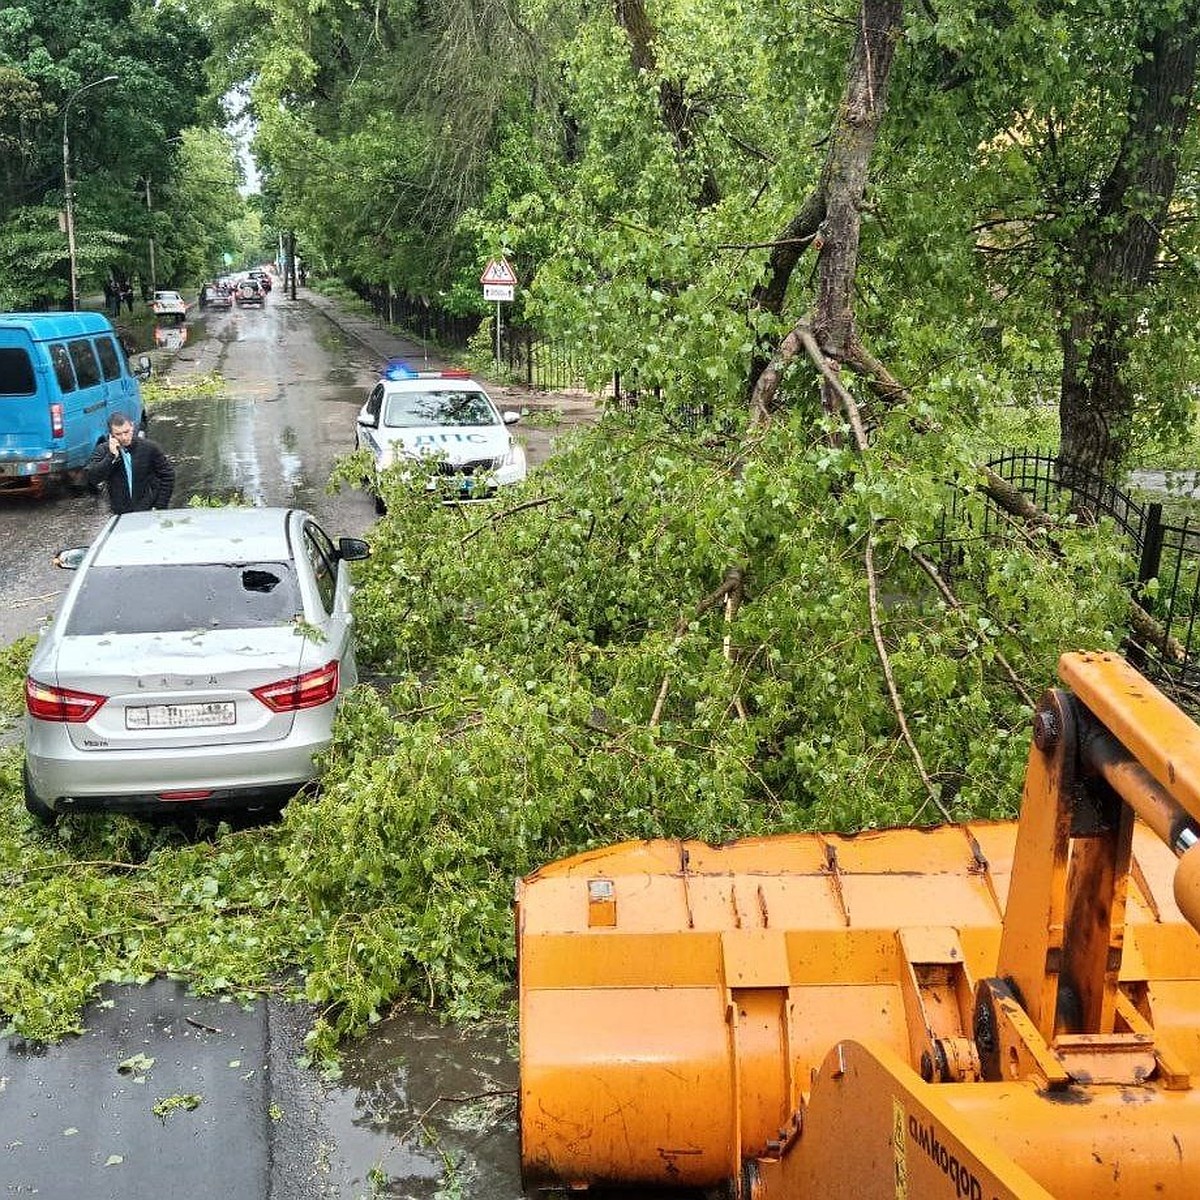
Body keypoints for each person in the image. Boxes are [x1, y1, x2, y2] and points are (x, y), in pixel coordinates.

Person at [85, 412, 175, 514]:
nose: (124, 437)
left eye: (126, 432)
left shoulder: (149, 448)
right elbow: (92, 478)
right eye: (118, 434)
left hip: (148, 509)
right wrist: (111, 457)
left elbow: (168, 476)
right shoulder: (103, 450)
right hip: (120, 512)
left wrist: (159, 506)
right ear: (111, 435)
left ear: (132, 427)